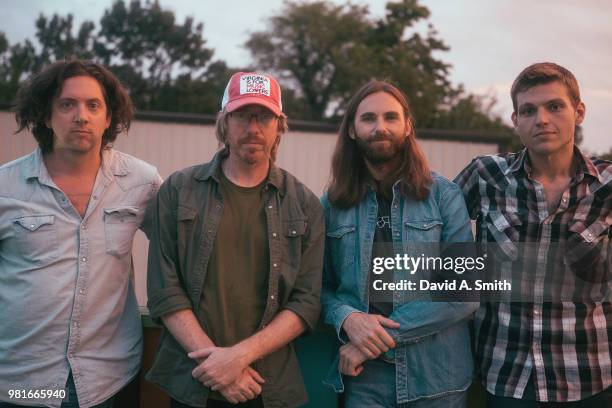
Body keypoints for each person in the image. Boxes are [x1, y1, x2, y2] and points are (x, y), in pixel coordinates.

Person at [146, 72, 325, 408]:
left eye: (265, 117)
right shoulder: (179, 190)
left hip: (265, 385)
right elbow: (164, 289)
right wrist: (216, 365)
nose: (253, 128)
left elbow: (306, 302)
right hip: (194, 380)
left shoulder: (304, 204)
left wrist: (237, 359)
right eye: (242, 115)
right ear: (224, 123)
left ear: (279, 126)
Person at [0, 60, 161, 408]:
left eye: (93, 105)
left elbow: (181, 252)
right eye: (66, 104)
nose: (81, 116)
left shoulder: (142, 182)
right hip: (22, 383)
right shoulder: (4, 187)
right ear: (46, 115)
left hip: (110, 380)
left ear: (108, 117)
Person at [455, 62, 611, 406]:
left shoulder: (607, 186)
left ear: (579, 111)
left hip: (590, 378)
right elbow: (426, 232)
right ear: (515, 120)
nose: (541, 119)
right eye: (528, 110)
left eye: (554, 106)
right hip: (505, 377)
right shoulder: (486, 176)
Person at [320, 80, 478, 407]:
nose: (380, 127)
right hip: (365, 380)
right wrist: (346, 317)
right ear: (352, 129)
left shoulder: (443, 196)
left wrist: (376, 338)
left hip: (436, 377)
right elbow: (317, 288)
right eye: (368, 119)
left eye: (391, 117)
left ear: (407, 127)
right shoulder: (333, 204)